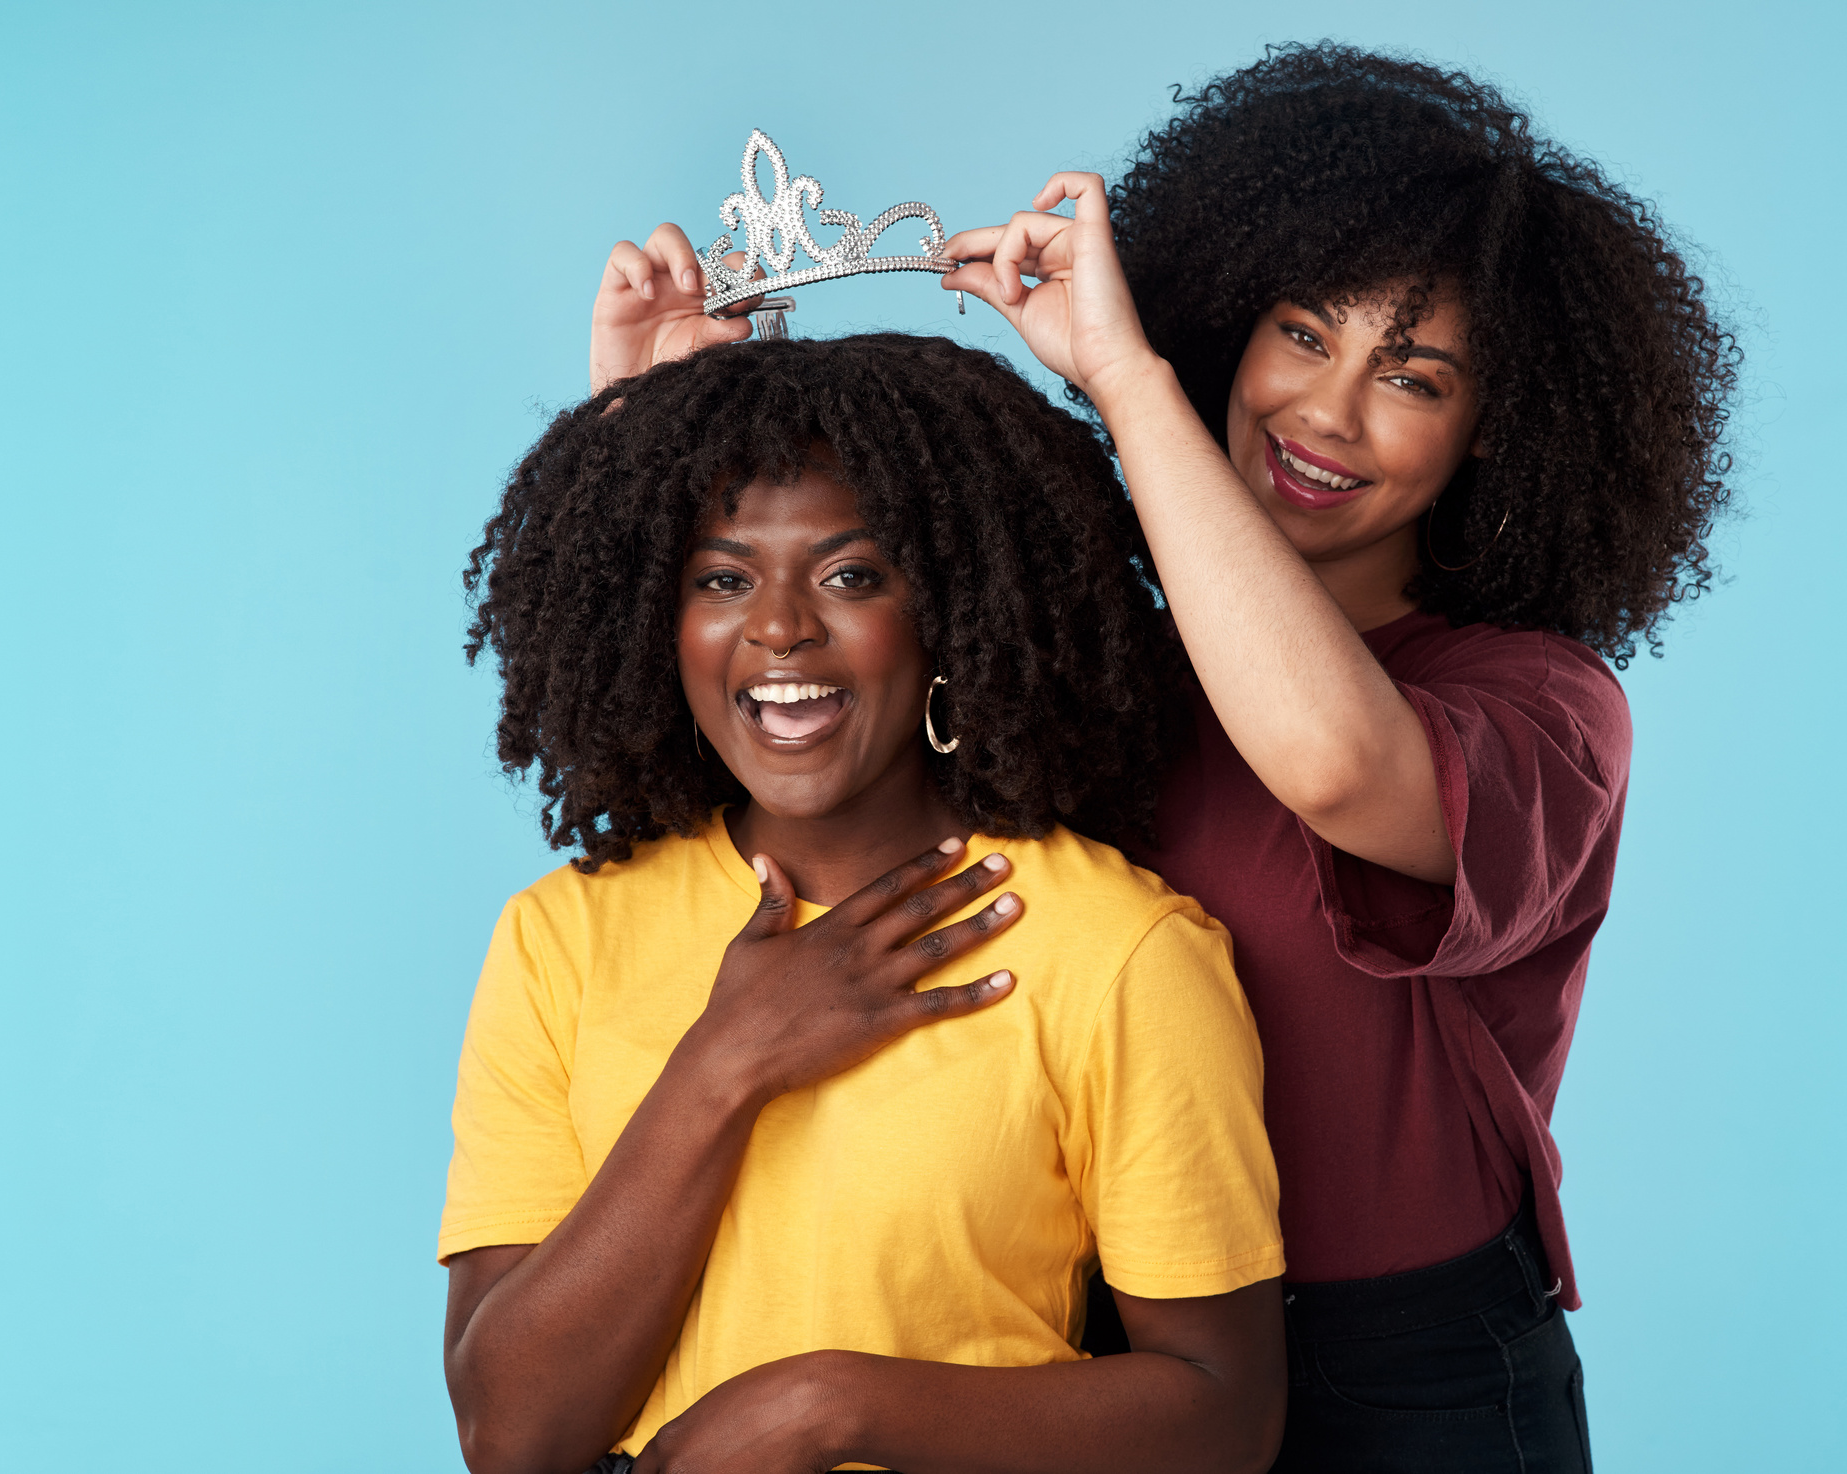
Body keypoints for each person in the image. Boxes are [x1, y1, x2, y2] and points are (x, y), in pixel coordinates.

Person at [587, 44, 1736, 1473]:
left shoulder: (1542, 707)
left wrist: (1132, 386)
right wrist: (640, 428)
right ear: (1233, 317)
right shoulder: (1091, 652)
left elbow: (1328, 760)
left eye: (1415, 376)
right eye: (1304, 333)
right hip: (1115, 1346)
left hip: (1409, 1374)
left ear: (1496, 433)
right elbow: (785, 734)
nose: (1329, 411)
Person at [441, 332, 1288, 1473]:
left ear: (951, 608)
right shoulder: (560, 939)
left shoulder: (1119, 951)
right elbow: (511, 1437)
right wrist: (726, 1061)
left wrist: (826, 1406)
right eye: (722, 577)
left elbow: (1224, 1416)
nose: (780, 626)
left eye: (852, 574)